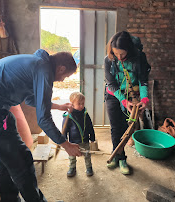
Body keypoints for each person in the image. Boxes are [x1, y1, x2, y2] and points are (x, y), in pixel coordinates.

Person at [0, 49, 82, 202]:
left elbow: (32, 100)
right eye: (66, 76)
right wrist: (65, 144)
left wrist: (58, 106)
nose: (63, 80)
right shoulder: (43, 70)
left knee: (4, 160)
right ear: (61, 68)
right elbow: (43, 119)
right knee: (21, 160)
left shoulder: (35, 63)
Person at [104, 31, 151, 175]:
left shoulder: (139, 57)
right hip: (114, 95)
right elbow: (111, 84)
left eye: (122, 55)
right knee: (115, 127)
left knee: (126, 127)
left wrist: (144, 99)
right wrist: (123, 101)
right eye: (115, 53)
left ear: (129, 50)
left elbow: (143, 80)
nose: (119, 57)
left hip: (132, 96)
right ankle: (118, 155)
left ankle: (122, 159)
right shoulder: (109, 59)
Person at [62, 92, 95, 177]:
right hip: (73, 142)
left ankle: (89, 167)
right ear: (72, 104)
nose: (81, 105)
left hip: (85, 140)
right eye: (79, 104)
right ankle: (72, 168)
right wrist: (64, 140)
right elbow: (64, 129)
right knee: (72, 156)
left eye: (82, 103)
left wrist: (92, 137)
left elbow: (90, 126)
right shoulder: (68, 116)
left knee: (87, 154)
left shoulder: (85, 114)